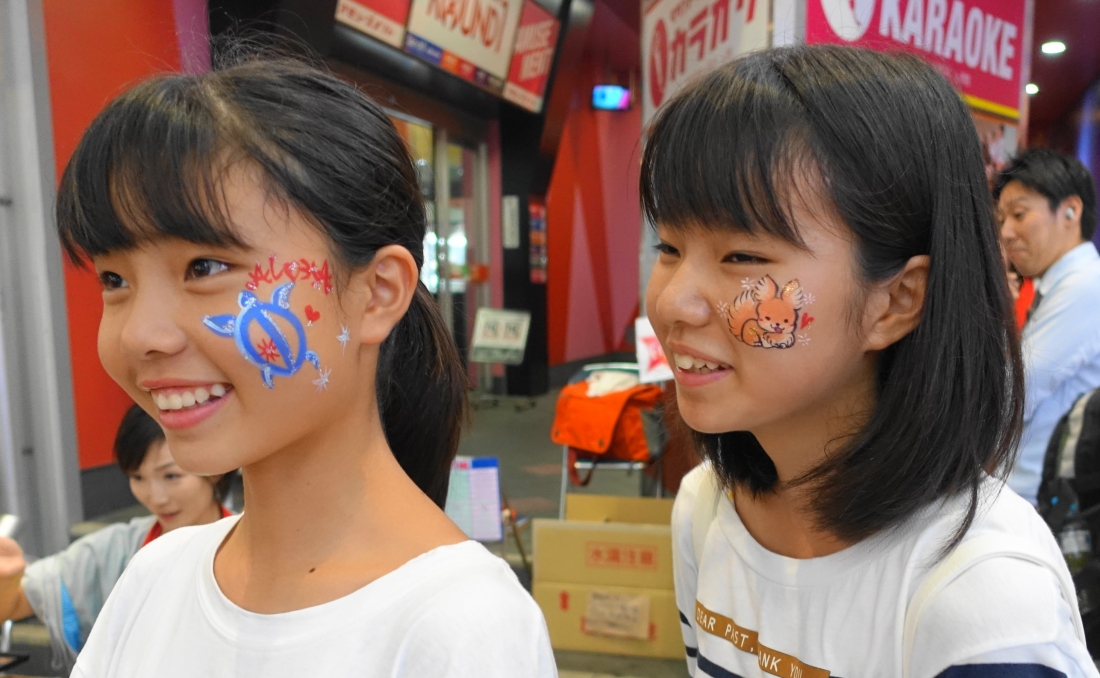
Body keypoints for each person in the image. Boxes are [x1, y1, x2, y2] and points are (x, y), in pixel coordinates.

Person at [55, 53, 555, 678]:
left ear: (377, 293)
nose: (140, 336)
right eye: (113, 278)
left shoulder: (461, 625)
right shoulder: (156, 574)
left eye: (205, 268)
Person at [642, 45, 1096, 677]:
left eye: (742, 256)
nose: (671, 302)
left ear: (895, 300)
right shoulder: (706, 510)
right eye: (668, 244)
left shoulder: (983, 600)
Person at [0, 404, 231, 672]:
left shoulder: (254, 549)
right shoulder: (113, 551)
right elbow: (14, 604)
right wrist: (8, 579)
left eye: (171, 476)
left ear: (214, 468)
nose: (156, 497)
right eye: (138, 477)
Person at [994, 149, 1100, 506]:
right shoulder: (1054, 284)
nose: (1007, 232)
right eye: (1002, 219)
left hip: (1038, 499)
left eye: (1019, 214)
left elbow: (1015, 392)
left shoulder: (1085, 284)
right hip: (1025, 490)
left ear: (1071, 210)